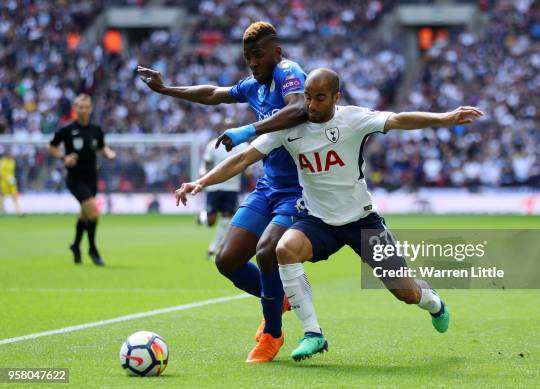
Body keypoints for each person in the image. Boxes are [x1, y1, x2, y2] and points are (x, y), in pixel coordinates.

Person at [175, 68, 484, 361]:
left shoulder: (354, 119)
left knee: (405, 291)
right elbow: (243, 158)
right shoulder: (289, 128)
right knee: (283, 249)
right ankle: (313, 333)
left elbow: (400, 119)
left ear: (337, 97)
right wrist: (201, 182)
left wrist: (445, 117)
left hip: (361, 220)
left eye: (319, 97)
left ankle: (434, 302)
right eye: (307, 96)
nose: (310, 104)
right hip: (317, 220)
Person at [137, 21, 308, 362]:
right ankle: (278, 298)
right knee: (227, 260)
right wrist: (166, 89)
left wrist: (247, 129)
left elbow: (299, 108)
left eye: (258, 56)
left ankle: (272, 334)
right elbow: (214, 94)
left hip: (301, 188)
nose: (253, 63)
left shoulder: (289, 72)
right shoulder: (253, 86)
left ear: (276, 53)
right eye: (248, 58)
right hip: (268, 186)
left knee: (267, 250)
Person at [48, 94, 116, 266]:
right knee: (93, 213)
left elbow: (101, 147)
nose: (83, 110)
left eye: (86, 107)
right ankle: (92, 250)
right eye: (80, 107)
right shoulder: (67, 130)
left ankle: (76, 246)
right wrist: (64, 158)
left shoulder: (96, 130)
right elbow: (52, 146)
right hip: (75, 179)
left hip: (91, 178)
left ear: (91, 109)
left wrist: (109, 153)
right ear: (75, 109)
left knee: (85, 216)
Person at [199, 120, 248, 260]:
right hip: (214, 187)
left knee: (227, 219)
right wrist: (203, 175)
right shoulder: (213, 144)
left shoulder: (243, 145)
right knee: (211, 221)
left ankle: (213, 249)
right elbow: (206, 163)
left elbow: (248, 163)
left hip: (232, 188)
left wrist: (248, 172)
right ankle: (202, 216)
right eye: (226, 127)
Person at [0, 148, 24, 216]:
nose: (11, 156)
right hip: (4, 182)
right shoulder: (2, 162)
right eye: (10, 155)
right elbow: (1, 173)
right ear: (7, 155)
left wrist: (13, 180)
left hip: (11, 182)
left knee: (15, 196)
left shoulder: (12, 161)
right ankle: (1, 209)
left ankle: (19, 212)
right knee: (3, 197)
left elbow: (12, 172)